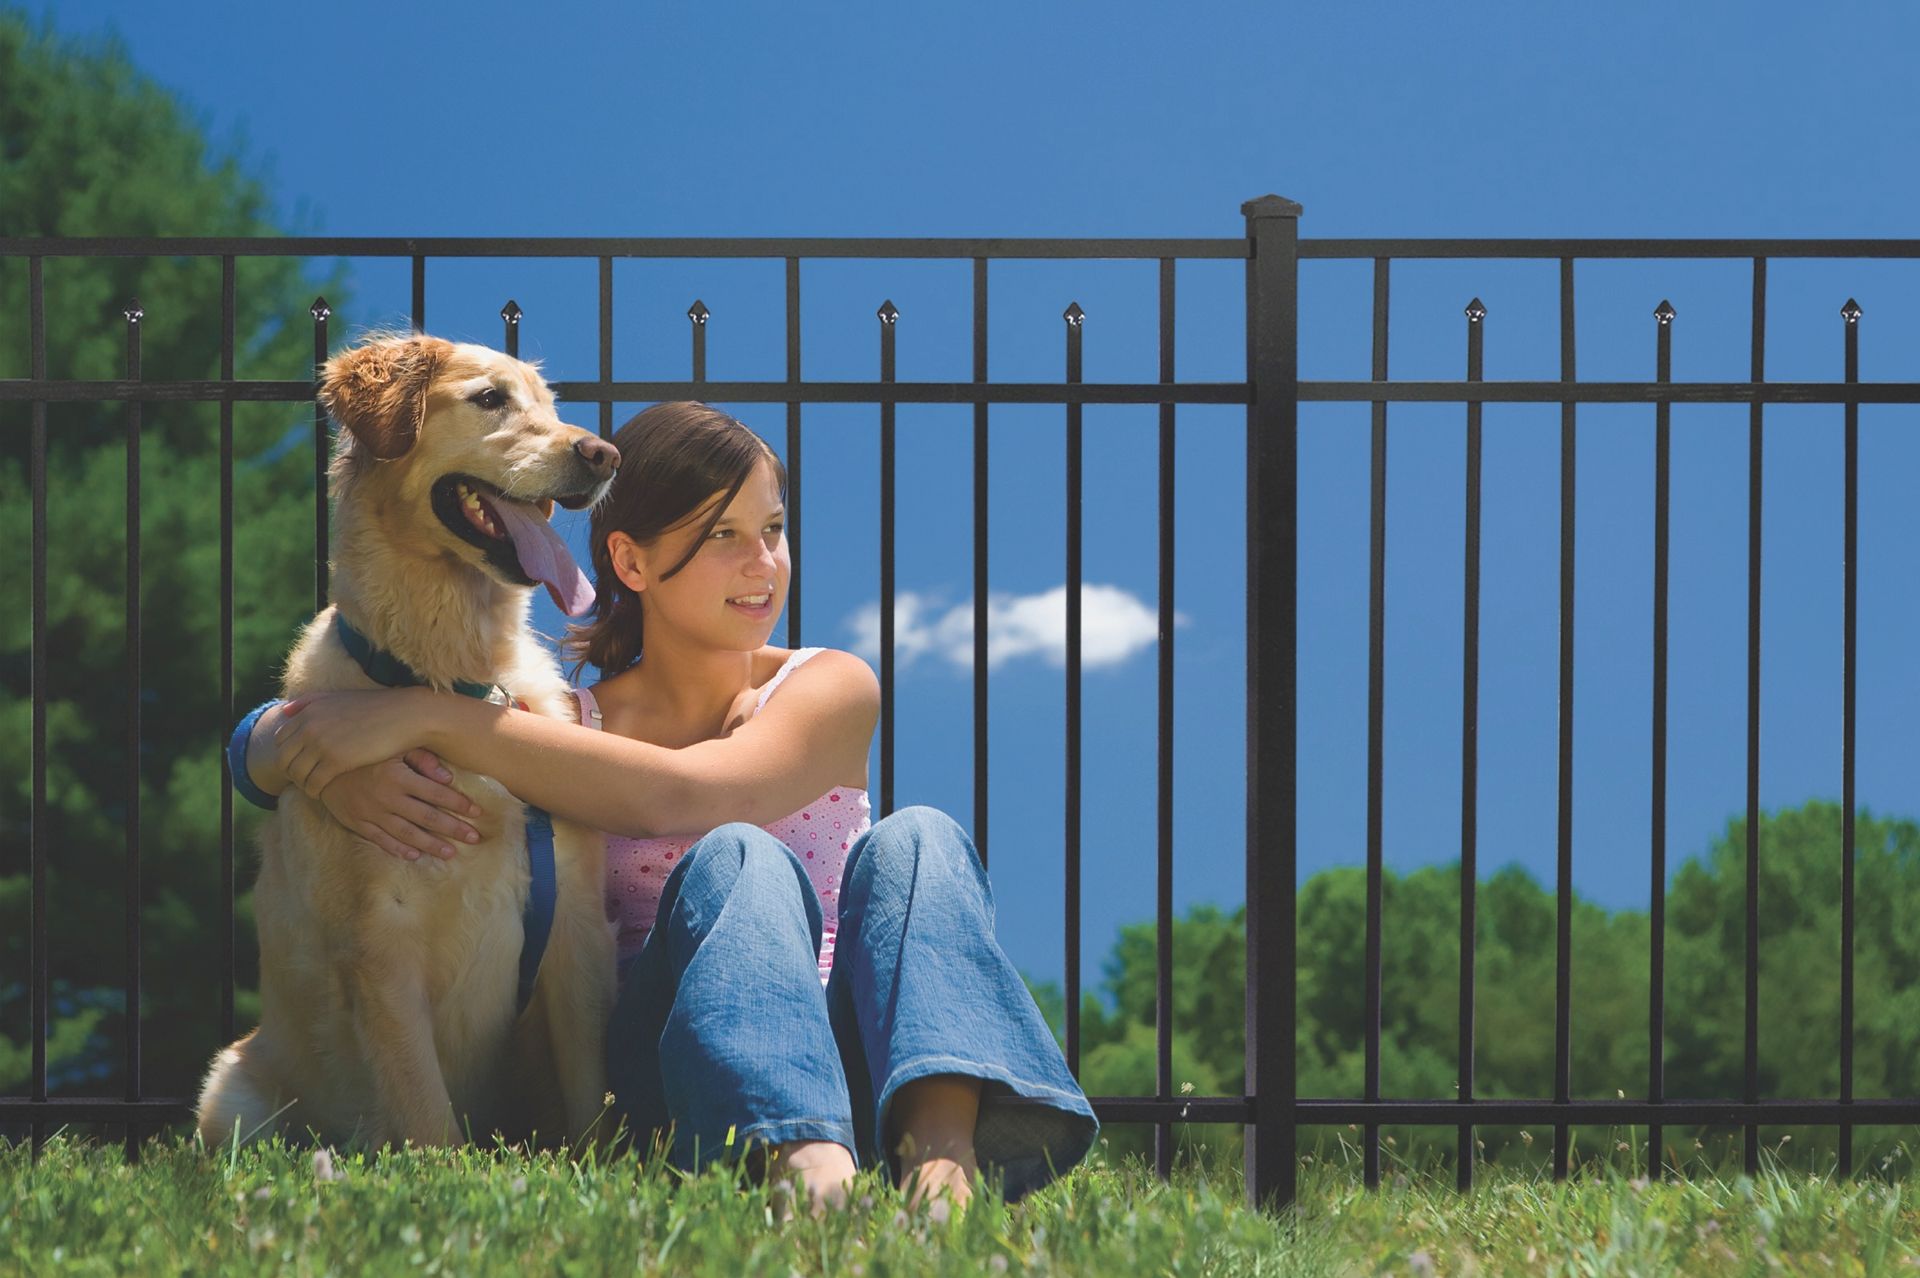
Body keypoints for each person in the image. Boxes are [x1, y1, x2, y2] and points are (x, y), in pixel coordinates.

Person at [230, 401, 1096, 1211]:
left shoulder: (827, 685)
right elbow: (290, 730)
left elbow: (679, 794)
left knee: (922, 838)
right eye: (723, 535)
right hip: (681, 1077)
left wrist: (425, 714)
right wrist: (292, 755)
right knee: (740, 861)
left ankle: (942, 1170)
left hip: (865, 1056)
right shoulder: (570, 722)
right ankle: (806, 1172)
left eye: (774, 529)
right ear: (630, 561)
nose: (763, 564)